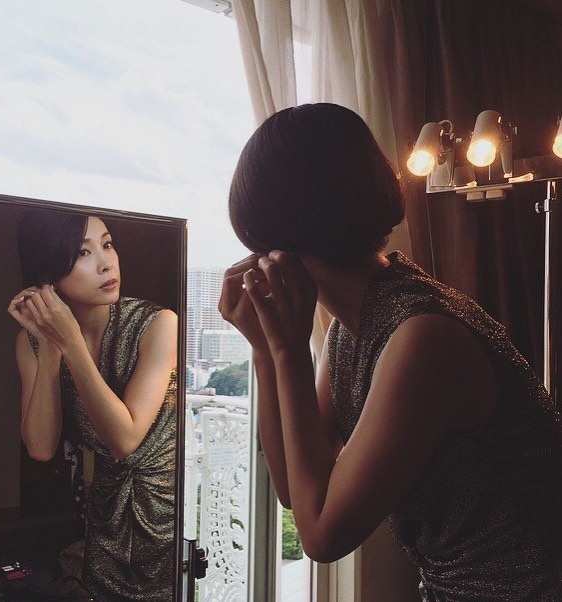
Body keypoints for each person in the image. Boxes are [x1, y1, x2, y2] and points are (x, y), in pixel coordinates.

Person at [220, 103, 562, 600]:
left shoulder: (422, 337)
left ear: (277, 244)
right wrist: (262, 348)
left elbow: (322, 537)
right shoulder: (352, 329)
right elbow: (297, 491)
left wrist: (289, 351)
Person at [7, 210, 178, 602]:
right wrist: (50, 347)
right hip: (106, 515)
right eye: (83, 253)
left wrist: (70, 343)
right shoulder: (31, 342)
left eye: (107, 245)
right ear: (48, 273)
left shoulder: (159, 325)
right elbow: (40, 447)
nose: (106, 263)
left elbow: (125, 439)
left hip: (166, 514)